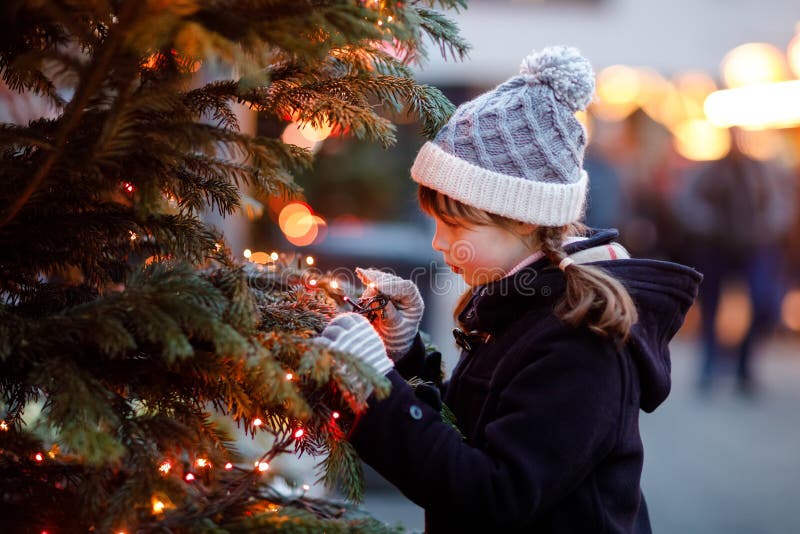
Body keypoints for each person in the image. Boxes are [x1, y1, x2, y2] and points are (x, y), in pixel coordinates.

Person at [314, 46, 701, 533]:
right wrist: (405, 355)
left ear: (521, 218)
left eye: (455, 228)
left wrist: (374, 387)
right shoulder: (518, 301)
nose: (438, 244)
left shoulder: (581, 341)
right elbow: (467, 430)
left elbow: (492, 493)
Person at [673, 137, 796, 395]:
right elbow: (687, 202)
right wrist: (709, 226)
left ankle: (743, 365)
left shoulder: (761, 172)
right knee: (710, 307)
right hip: (716, 247)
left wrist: (764, 229)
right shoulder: (710, 172)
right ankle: (710, 365)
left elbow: (779, 206)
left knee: (763, 303)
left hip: (754, 247)